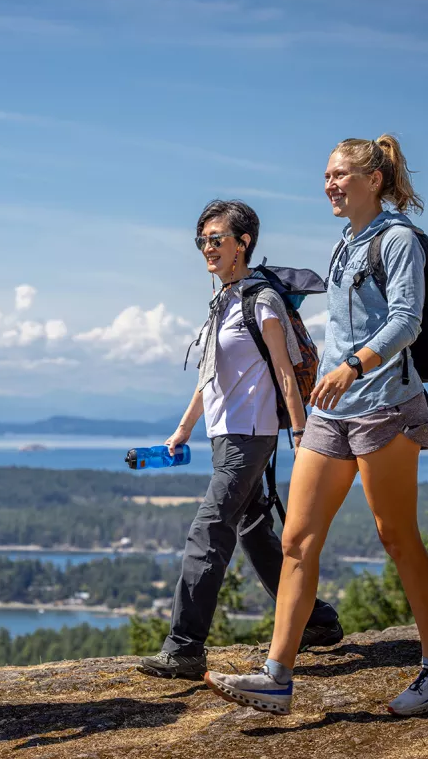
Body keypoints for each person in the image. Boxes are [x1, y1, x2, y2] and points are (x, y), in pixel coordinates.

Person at [204, 137, 428, 716]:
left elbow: (405, 320)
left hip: (385, 407)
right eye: (326, 175)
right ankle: (277, 675)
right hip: (331, 411)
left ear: (373, 179)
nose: (330, 184)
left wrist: (350, 367)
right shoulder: (346, 242)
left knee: (396, 537)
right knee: (296, 539)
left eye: (341, 174)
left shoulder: (397, 241)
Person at [138, 200, 342, 681]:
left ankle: (185, 647)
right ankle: (317, 620)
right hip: (225, 436)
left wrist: (301, 430)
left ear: (243, 243)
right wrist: (184, 428)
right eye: (202, 240)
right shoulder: (224, 300)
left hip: (252, 436)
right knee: (253, 531)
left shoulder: (261, 300)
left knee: (209, 531)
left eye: (216, 239)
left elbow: (287, 374)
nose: (207, 248)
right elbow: (211, 378)